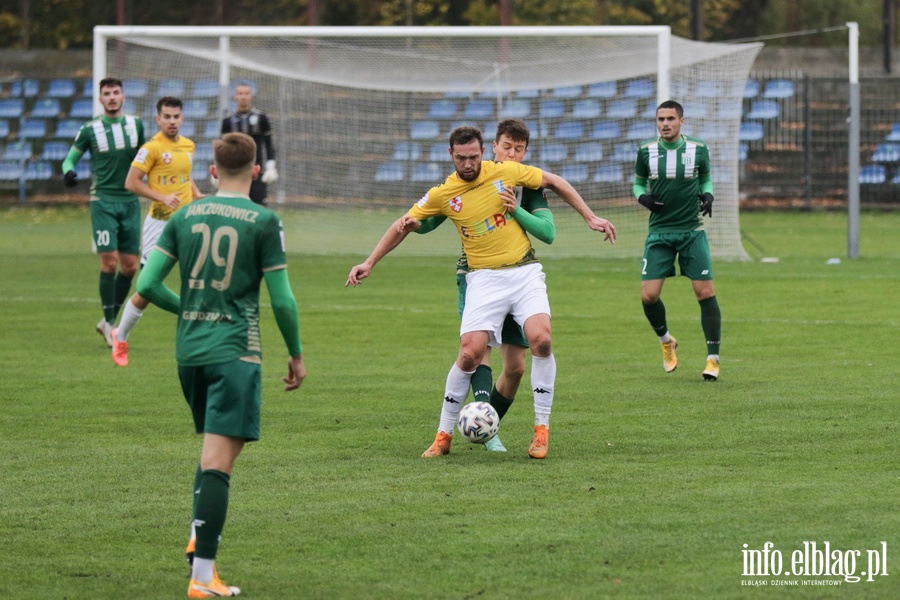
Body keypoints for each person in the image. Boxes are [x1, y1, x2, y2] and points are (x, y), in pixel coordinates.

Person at [347, 125, 616, 459]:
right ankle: (443, 436)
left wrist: (590, 217)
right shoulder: (444, 192)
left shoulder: (505, 172)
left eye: (474, 157)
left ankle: (541, 431)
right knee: (470, 353)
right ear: (452, 156)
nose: (470, 163)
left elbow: (555, 183)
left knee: (541, 340)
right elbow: (407, 222)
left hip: (524, 271)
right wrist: (370, 261)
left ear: (482, 153)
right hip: (483, 279)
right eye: (462, 158)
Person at [135, 132, 306, 598]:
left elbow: (146, 285)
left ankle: (199, 533)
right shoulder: (264, 221)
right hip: (236, 351)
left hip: (189, 352)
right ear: (255, 172)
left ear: (211, 171)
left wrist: (189, 306)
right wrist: (295, 352)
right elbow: (284, 300)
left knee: (218, 451)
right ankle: (203, 576)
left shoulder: (184, 215)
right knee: (219, 460)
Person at [411, 118, 558, 453]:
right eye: (507, 147)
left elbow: (548, 234)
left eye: (519, 150)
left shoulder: (526, 183)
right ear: (493, 148)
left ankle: (486, 423)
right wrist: (415, 225)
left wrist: (516, 210)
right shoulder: (472, 180)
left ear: (525, 153)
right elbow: (433, 217)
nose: (512, 154)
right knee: (476, 351)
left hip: (520, 272)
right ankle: (471, 431)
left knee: (517, 367)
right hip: (476, 274)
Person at [110, 96, 206, 366]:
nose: (172, 121)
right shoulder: (150, 148)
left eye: (176, 116)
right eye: (167, 116)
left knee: (198, 276)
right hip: (160, 224)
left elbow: (185, 177)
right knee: (147, 289)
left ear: (183, 118)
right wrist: (160, 197)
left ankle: (198, 337)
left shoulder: (189, 145)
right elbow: (131, 182)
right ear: (158, 119)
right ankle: (121, 334)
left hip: (188, 221)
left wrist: (196, 194)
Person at [633, 99, 721, 381]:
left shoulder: (698, 148)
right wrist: (643, 197)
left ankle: (713, 359)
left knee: (705, 293)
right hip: (659, 233)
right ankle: (667, 341)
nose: (665, 124)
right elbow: (637, 182)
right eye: (661, 119)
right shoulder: (646, 151)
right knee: (648, 296)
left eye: (671, 119)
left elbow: (706, 178)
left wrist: (708, 195)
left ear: (681, 121)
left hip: (692, 232)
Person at [61, 77, 146, 347]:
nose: (111, 97)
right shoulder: (90, 129)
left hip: (130, 202)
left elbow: (148, 156)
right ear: (100, 99)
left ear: (123, 96)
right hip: (103, 202)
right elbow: (70, 157)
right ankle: (111, 324)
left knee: (130, 267)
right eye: (106, 93)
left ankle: (108, 320)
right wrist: (69, 172)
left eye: (116, 92)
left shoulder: (136, 125)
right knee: (109, 261)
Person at [219, 83, 277, 205]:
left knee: (259, 207)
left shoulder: (262, 118)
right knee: (236, 207)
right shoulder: (228, 120)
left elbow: (268, 143)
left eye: (246, 93)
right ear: (235, 96)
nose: (243, 97)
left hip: (256, 170)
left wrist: (271, 166)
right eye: (240, 93)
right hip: (235, 171)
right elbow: (222, 148)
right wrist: (219, 168)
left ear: (251, 96)